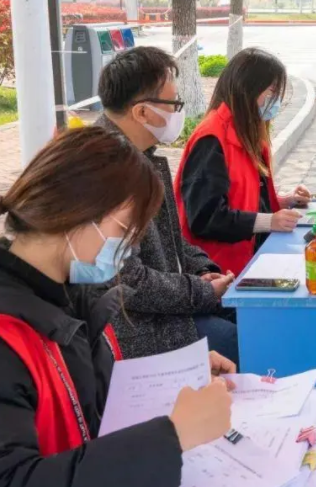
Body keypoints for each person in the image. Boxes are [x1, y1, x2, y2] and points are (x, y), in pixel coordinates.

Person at [0, 127, 236, 487]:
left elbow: (89, 405)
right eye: (126, 230)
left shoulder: (68, 294)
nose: (130, 247)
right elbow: (0, 485)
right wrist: (171, 437)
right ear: (76, 213)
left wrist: (176, 377)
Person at [95, 46, 238, 364]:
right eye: (173, 104)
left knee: (250, 316)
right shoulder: (107, 169)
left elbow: (172, 240)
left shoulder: (142, 158)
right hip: (135, 329)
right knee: (243, 339)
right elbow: (125, 279)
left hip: (167, 306)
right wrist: (200, 291)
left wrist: (203, 271)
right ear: (142, 112)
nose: (178, 112)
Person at [174, 48, 310, 276]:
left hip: (252, 257)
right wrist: (270, 221)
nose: (275, 100)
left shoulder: (246, 132)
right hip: (220, 271)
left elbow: (244, 198)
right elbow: (206, 218)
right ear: (248, 88)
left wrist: (284, 202)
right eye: (272, 91)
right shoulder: (212, 139)